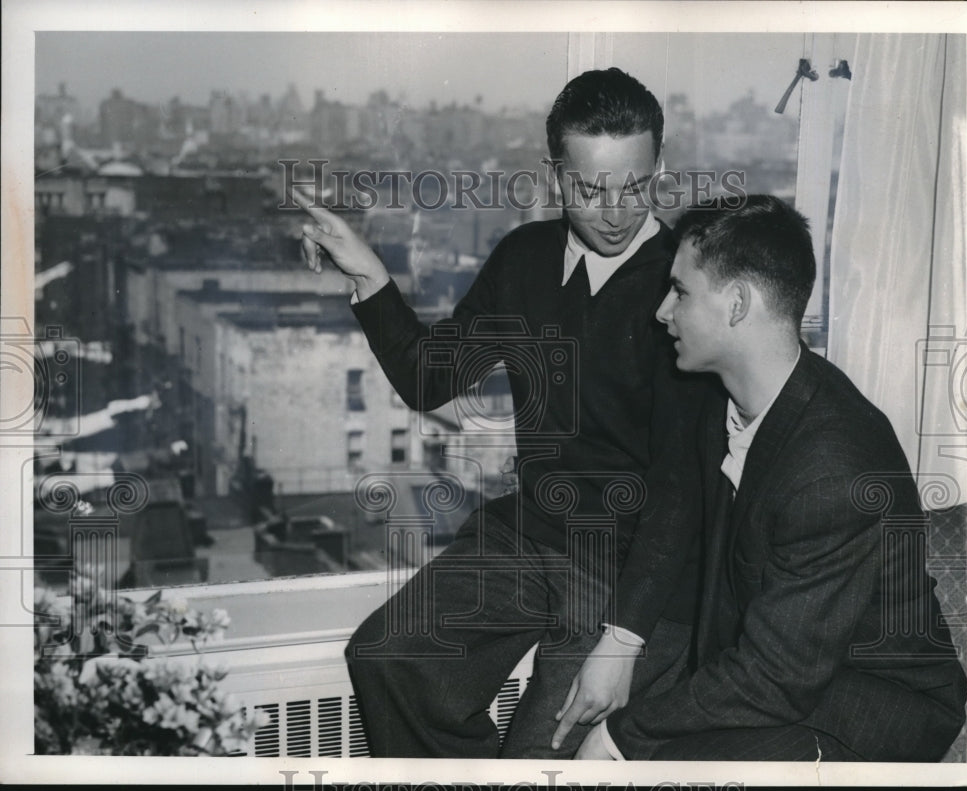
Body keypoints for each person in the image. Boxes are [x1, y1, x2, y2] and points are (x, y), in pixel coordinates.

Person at [290, 68, 700, 758]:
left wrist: (625, 641)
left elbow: (686, 493)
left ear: (660, 166)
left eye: (635, 185)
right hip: (531, 533)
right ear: (553, 176)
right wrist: (367, 273)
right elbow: (429, 378)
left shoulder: (689, 282)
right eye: (587, 187)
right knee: (390, 659)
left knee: (538, 759)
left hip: (635, 575)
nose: (614, 210)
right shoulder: (525, 259)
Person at [568, 195, 967, 761]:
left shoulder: (834, 464)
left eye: (680, 291)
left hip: (870, 708)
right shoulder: (722, 401)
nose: (663, 311)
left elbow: (777, 677)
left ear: (736, 304)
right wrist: (622, 643)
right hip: (792, 679)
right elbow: (676, 513)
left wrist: (620, 736)